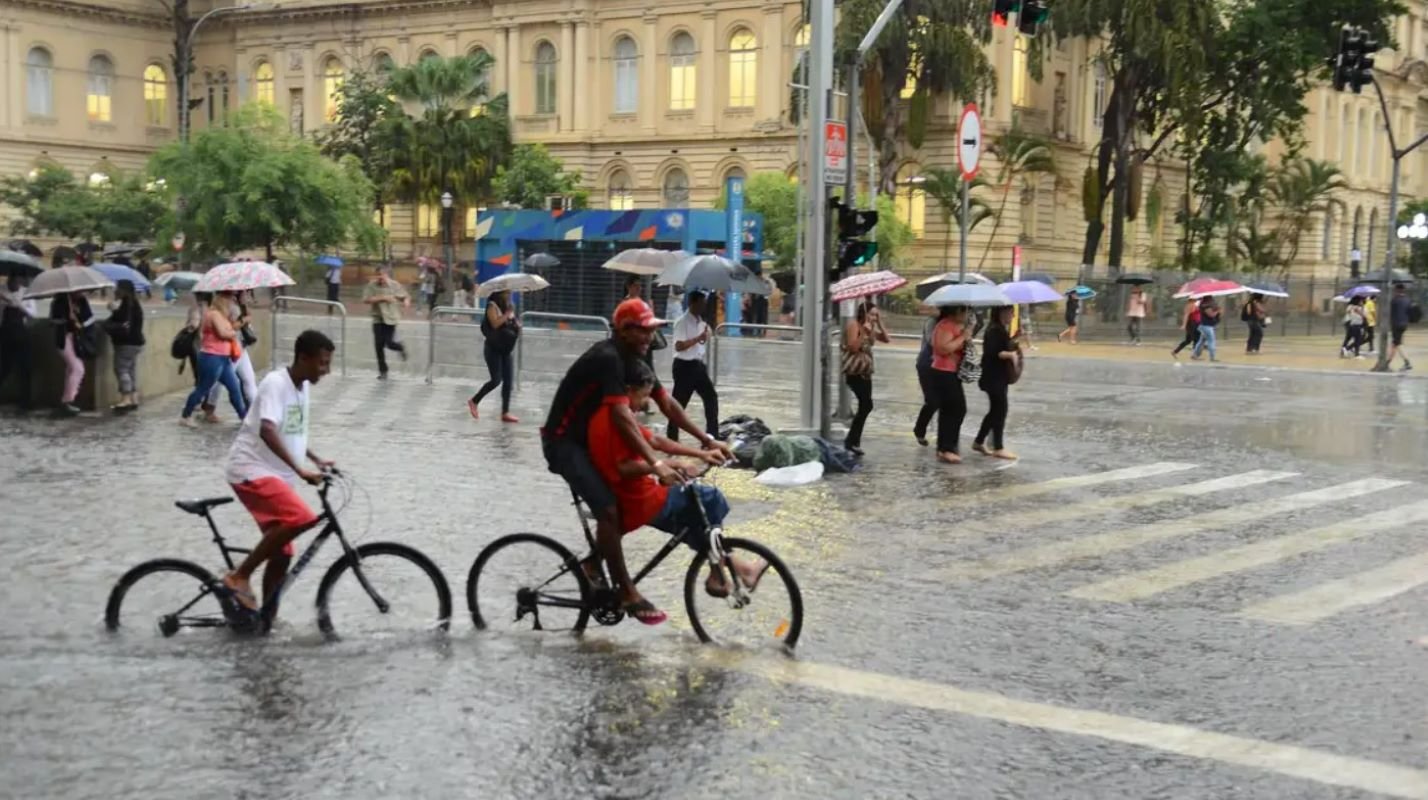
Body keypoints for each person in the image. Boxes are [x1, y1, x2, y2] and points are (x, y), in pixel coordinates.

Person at [541, 298, 732, 626]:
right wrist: (656, 465)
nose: (648, 338)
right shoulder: (608, 359)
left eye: (650, 331)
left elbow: (667, 404)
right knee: (609, 510)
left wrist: (706, 440)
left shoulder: (635, 359)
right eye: (641, 331)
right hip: (564, 444)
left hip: (590, 438)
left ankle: (592, 565)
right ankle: (627, 592)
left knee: (624, 504)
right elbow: (622, 416)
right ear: (622, 331)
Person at [587, 359, 768, 625]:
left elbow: (657, 441)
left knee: (695, 523)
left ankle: (736, 569)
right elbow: (623, 467)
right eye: (643, 396)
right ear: (627, 390)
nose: (645, 404)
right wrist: (669, 465)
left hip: (641, 492)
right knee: (709, 499)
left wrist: (701, 451)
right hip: (637, 498)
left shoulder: (619, 413)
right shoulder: (612, 418)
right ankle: (721, 574)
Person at [221, 330, 336, 613]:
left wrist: (316, 460)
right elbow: (268, 429)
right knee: (301, 517)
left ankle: (265, 620)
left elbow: (292, 431)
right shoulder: (275, 383)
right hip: (251, 470)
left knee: (283, 552)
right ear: (303, 358)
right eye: (322, 363)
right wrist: (300, 471)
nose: (326, 370)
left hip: (276, 475)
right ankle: (239, 576)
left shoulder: (302, 386)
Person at [181, 292, 248, 424]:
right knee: (203, 388)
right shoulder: (213, 314)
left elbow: (228, 329)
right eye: (229, 301)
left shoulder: (223, 316)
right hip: (212, 357)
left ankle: (244, 417)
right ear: (222, 302)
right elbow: (223, 333)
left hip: (223, 358)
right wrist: (233, 333)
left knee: (234, 386)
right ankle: (185, 415)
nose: (231, 304)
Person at [667, 290, 720, 443]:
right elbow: (679, 345)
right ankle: (672, 438)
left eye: (704, 304)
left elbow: (701, 343)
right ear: (692, 303)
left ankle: (712, 435)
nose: (703, 307)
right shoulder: (682, 322)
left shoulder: (700, 321)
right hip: (684, 367)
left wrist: (704, 336)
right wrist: (698, 338)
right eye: (700, 304)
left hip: (698, 365)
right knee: (678, 405)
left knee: (711, 397)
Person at [841, 298, 889, 456]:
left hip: (866, 372)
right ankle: (851, 441)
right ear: (864, 313)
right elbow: (853, 347)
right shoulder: (854, 325)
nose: (874, 318)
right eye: (872, 315)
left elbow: (886, 339)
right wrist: (863, 332)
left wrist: (879, 323)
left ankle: (853, 441)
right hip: (854, 372)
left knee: (866, 405)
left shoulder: (870, 327)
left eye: (876, 315)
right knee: (866, 405)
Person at [973, 306, 1021, 460]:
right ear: (1002, 312)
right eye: (1010, 312)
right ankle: (997, 447)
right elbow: (994, 352)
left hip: (998, 376)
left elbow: (1002, 346)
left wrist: (1014, 339)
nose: (1012, 315)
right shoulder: (995, 329)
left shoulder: (999, 328)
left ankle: (980, 441)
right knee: (1000, 409)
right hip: (993, 376)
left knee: (997, 410)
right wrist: (1011, 354)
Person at [467, 289, 520, 421]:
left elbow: (511, 322)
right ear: (499, 293)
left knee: (508, 381)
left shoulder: (508, 306)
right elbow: (495, 323)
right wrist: (507, 314)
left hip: (506, 348)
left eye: (510, 293)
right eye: (507, 292)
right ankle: (474, 401)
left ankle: (505, 412)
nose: (509, 295)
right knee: (496, 380)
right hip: (493, 348)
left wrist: (516, 324)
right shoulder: (492, 305)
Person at [930, 305, 969, 464]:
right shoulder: (945, 325)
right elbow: (943, 349)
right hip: (943, 371)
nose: (967, 314)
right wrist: (962, 337)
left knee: (950, 410)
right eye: (965, 310)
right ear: (957, 311)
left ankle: (945, 447)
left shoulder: (954, 326)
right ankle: (946, 448)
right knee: (957, 409)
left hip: (951, 372)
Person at [207, 291, 257, 407]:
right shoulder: (225, 303)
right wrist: (244, 320)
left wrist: (246, 308)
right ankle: (208, 405)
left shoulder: (240, 304)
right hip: (231, 349)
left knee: (249, 380)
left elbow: (246, 319)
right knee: (222, 381)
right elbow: (228, 327)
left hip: (241, 348)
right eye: (245, 292)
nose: (247, 294)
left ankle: (256, 411)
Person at [49, 291, 93, 417]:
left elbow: (89, 318)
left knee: (71, 369)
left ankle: (66, 401)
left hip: (77, 338)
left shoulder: (82, 301)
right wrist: (67, 319)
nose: (82, 293)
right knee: (78, 368)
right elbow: (52, 320)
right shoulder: (59, 301)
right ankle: (68, 400)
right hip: (63, 338)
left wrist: (80, 320)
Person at [363, 266, 410, 380]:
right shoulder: (371, 285)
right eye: (378, 275)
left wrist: (406, 302)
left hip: (391, 318)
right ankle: (383, 371)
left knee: (389, 343)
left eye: (382, 275)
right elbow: (366, 299)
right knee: (378, 345)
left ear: (387, 275)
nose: (380, 278)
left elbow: (405, 296)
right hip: (378, 318)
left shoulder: (394, 285)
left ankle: (400, 347)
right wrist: (382, 298)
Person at [105, 279, 145, 412]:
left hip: (126, 343)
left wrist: (113, 310)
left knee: (121, 369)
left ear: (124, 290)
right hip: (136, 343)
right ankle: (134, 398)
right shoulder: (134, 304)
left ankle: (126, 398)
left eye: (118, 288)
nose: (115, 291)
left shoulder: (127, 305)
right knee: (130, 370)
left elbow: (122, 322)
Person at [0, 275, 36, 409]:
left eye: (17, 280)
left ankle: (26, 401)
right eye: (11, 280)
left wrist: (18, 304)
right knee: (4, 367)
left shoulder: (26, 293)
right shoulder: (2, 291)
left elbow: (33, 314)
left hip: (21, 332)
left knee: (25, 367)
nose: (13, 283)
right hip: (5, 332)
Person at [911, 309, 938, 447]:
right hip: (926, 364)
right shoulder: (932, 321)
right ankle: (919, 429)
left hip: (941, 366)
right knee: (933, 401)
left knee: (944, 402)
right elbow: (932, 341)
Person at [1386, 282, 1413, 371]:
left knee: (1398, 343)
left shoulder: (1395, 300)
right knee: (1394, 343)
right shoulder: (1408, 300)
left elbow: (1390, 313)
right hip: (1404, 324)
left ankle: (1407, 362)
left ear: (1397, 290)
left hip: (1396, 324)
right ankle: (1387, 362)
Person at [1191, 296, 1221, 362]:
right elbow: (1211, 315)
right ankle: (1212, 357)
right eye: (1211, 298)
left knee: (1202, 341)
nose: (1213, 300)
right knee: (1211, 341)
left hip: (1206, 325)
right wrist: (1217, 311)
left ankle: (1194, 355)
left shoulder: (1204, 305)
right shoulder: (1206, 306)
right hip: (1206, 326)